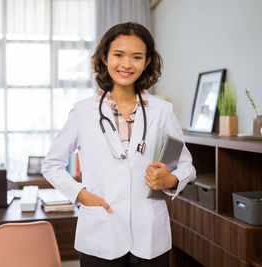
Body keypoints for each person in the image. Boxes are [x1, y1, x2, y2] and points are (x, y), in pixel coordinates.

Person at [41, 22, 196, 267]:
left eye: (136, 57)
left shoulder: (163, 112)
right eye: (118, 55)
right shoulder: (83, 112)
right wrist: (80, 194)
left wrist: (170, 180)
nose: (126, 64)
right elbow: (51, 165)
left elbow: (186, 165)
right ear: (104, 58)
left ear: (146, 63)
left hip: (149, 235)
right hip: (101, 232)